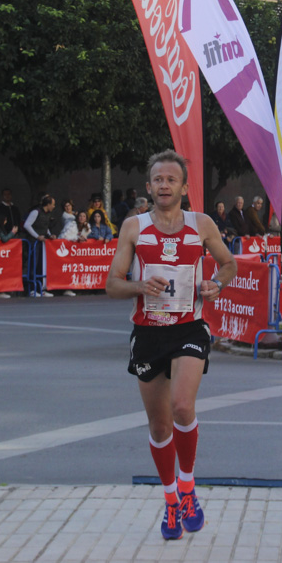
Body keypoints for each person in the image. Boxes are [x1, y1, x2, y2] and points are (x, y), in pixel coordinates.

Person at [106, 150, 236, 541]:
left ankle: (188, 485)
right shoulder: (133, 227)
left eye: (171, 179)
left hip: (189, 328)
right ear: (149, 187)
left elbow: (228, 264)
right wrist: (138, 286)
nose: (164, 185)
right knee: (159, 423)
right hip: (147, 333)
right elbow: (113, 283)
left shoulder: (202, 224)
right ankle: (170, 500)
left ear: (184, 187)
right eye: (158, 180)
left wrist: (217, 284)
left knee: (182, 406)